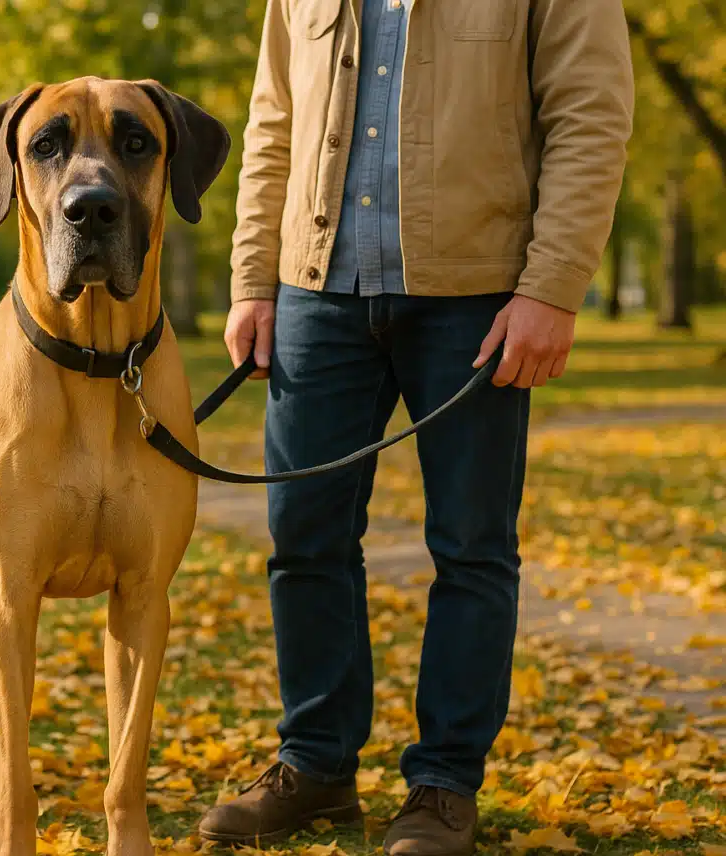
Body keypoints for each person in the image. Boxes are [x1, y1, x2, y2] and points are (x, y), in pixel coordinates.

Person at [196, 2, 634, 855]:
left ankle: (443, 787)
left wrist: (551, 288)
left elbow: (590, 116)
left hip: (475, 296)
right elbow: (272, 122)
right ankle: (316, 766)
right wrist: (254, 277)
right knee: (304, 539)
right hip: (315, 291)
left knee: (472, 547)